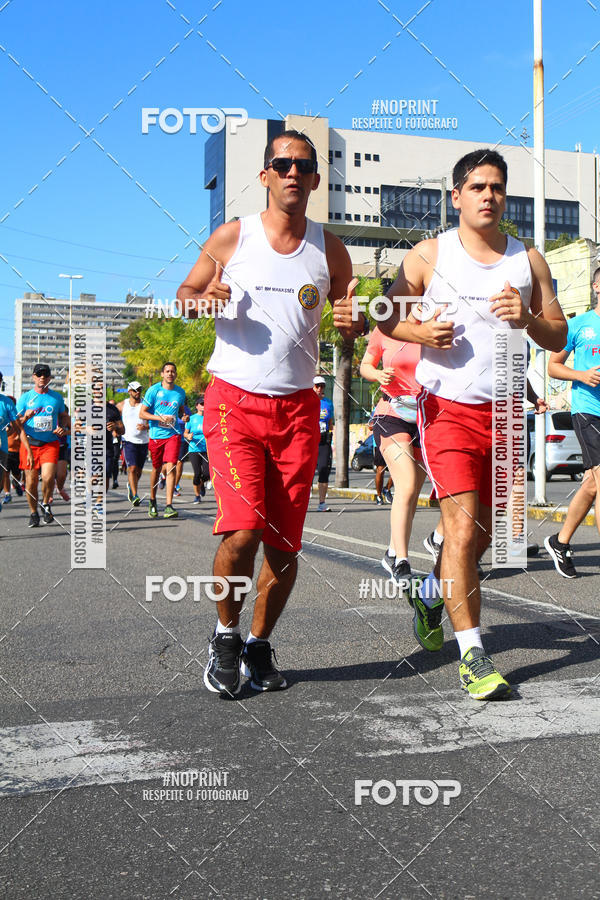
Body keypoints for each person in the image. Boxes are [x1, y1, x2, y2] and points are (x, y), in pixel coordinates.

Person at [176, 129, 365, 696]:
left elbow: (348, 315)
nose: (291, 172)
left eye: (302, 166)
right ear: (264, 176)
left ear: (313, 179)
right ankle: (224, 635)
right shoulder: (234, 237)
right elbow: (186, 291)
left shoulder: (328, 248)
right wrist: (200, 300)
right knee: (242, 530)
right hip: (234, 402)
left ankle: (258, 643)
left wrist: (352, 323)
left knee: (284, 545)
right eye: (280, 163)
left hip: (299, 409)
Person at [380, 148, 567, 700]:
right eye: (478, 186)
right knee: (461, 529)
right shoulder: (428, 255)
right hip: (448, 413)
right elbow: (383, 315)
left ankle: (435, 594)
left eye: (498, 187)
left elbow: (556, 335)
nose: (490, 195)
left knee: (483, 537)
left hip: (507, 416)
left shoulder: (528, 261)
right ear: (457, 196)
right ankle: (474, 656)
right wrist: (420, 335)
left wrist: (528, 317)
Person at [360, 326, 428, 586]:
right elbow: (366, 364)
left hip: (426, 416)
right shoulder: (386, 328)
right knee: (406, 484)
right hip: (392, 413)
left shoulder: (437, 322)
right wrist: (377, 373)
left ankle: (391, 551)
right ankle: (402, 560)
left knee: (412, 495)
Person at [545, 268, 600, 577]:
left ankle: (560, 541)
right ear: (596, 286)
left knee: (592, 484)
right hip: (588, 410)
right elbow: (553, 366)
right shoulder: (580, 325)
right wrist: (582, 375)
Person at [16, 363, 69, 527]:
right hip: (29, 444)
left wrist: (63, 428)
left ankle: (46, 504)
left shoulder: (56, 397)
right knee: (31, 482)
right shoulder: (25, 398)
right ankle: (33, 513)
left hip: (49, 443)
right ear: (33, 377)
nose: (42, 378)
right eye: (39, 375)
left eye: (45, 375)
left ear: (50, 378)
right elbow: (16, 424)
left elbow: (64, 417)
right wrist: (25, 417)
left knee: (47, 477)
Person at [139, 362, 186, 519]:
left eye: (173, 371)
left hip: (174, 434)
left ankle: (168, 505)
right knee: (157, 468)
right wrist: (159, 417)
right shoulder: (153, 391)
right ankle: (152, 500)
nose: (170, 374)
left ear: (176, 374)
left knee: (171, 466)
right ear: (162, 374)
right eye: (167, 371)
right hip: (156, 435)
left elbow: (180, 412)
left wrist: (183, 417)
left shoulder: (180, 392)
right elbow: (142, 413)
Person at [117, 381, 149, 506]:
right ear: (129, 391)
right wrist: (116, 428)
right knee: (132, 468)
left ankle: (131, 486)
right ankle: (135, 495)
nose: (138, 392)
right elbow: (112, 416)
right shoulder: (122, 405)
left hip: (143, 441)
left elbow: (152, 421)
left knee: (139, 471)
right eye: (135, 390)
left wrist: (145, 427)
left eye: (139, 390)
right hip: (128, 440)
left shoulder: (145, 405)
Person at [313, 376, 334, 512]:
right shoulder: (307, 401)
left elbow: (330, 423)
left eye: (322, 386)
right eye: (317, 386)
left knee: (323, 470)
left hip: (323, 441)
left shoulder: (328, 403)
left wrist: (331, 438)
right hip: (309, 441)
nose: (320, 388)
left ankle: (322, 502)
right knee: (306, 473)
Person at [184, 396, 210, 503]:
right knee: (197, 473)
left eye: (205, 404)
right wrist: (188, 436)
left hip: (206, 450)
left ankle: (201, 483)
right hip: (194, 449)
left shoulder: (210, 418)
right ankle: (197, 495)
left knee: (208, 474)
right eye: (201, 404)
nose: (204, 406)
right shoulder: (191, 418)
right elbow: (185, 433)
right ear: (197, 406)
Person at [105, 400, 124, 494]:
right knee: (94, 477)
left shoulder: (113, 409)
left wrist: (115, 426)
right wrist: (88, 429)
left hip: (109, 446)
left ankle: (98, 503)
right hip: (91, 447)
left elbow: (122, 430)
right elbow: (76, 427)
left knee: (106, 476)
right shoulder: (87, 407)